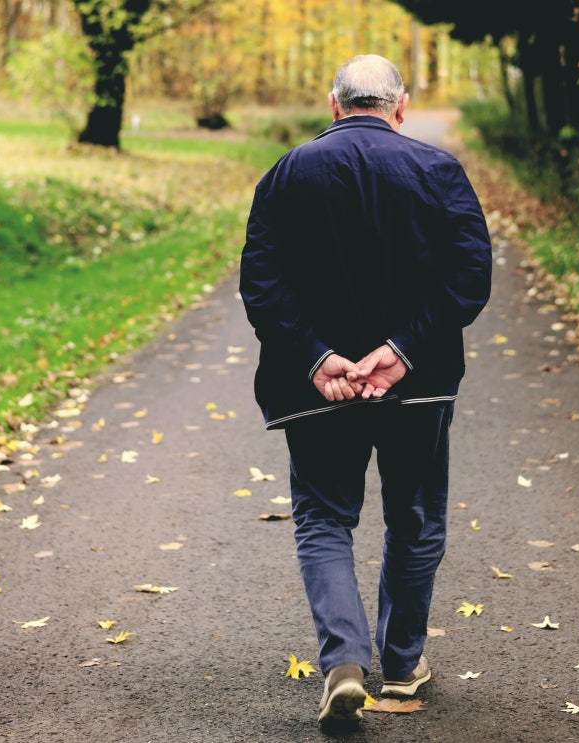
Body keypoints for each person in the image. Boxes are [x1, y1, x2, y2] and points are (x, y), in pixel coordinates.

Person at [239, 54, 492, 725]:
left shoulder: (287, 172)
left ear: (334, 105)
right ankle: (403, 665)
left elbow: (261, 286)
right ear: (399, 106)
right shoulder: (437, 171)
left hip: (316, 388)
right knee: (413, 518)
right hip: (418, 383)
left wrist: (318, 356)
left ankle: (345, 662)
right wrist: (403, 349)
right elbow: (469, 277)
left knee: (324, 518)